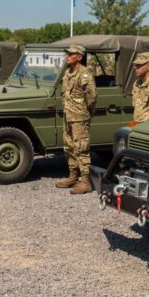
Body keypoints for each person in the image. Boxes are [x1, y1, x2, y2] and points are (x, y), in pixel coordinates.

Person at [54, 44, 96, 195]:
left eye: (71, 54)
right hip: (68, 116)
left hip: (79, 117)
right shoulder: (68, 73)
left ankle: (85, 182)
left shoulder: (85, 74)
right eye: (67, 54)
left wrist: (85, 113)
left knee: (81, 148)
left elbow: (91, 97)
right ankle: (73, 176)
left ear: (79, 57)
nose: (67, 56)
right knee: (69, 147)